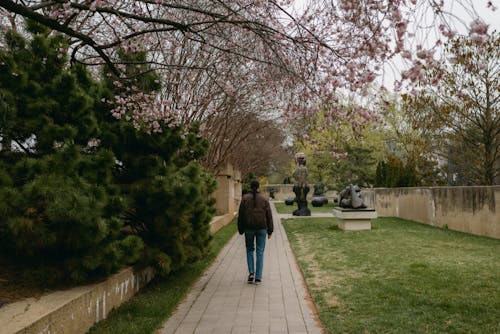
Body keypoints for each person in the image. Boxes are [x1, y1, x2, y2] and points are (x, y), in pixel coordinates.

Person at [238, 179, 273, 285]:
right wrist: (270, 230)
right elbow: (269, 216)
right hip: (262, 228)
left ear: (250, 186)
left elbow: (241, 215)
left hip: (249, 228)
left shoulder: (245, 198)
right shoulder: (264, 199)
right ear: (258, 187)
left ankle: (251, 273)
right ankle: (258, 277)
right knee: (260, 252)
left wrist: (241, 229)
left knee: (249, 250)